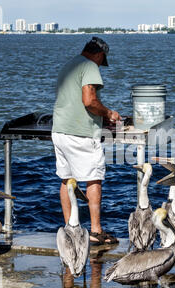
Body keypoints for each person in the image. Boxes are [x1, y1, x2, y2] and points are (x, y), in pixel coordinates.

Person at [52, 37, 121, 245]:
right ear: (99, 55)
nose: (100, 65)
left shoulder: (69, 65)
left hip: (60, 131)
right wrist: (109, 113)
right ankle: (96, 231)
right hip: (80, 134)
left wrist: (100, 116)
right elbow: (89, 100)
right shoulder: (90, 66)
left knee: (66, 179)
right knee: (94, 179)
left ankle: (70, 229)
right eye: (102, 61)